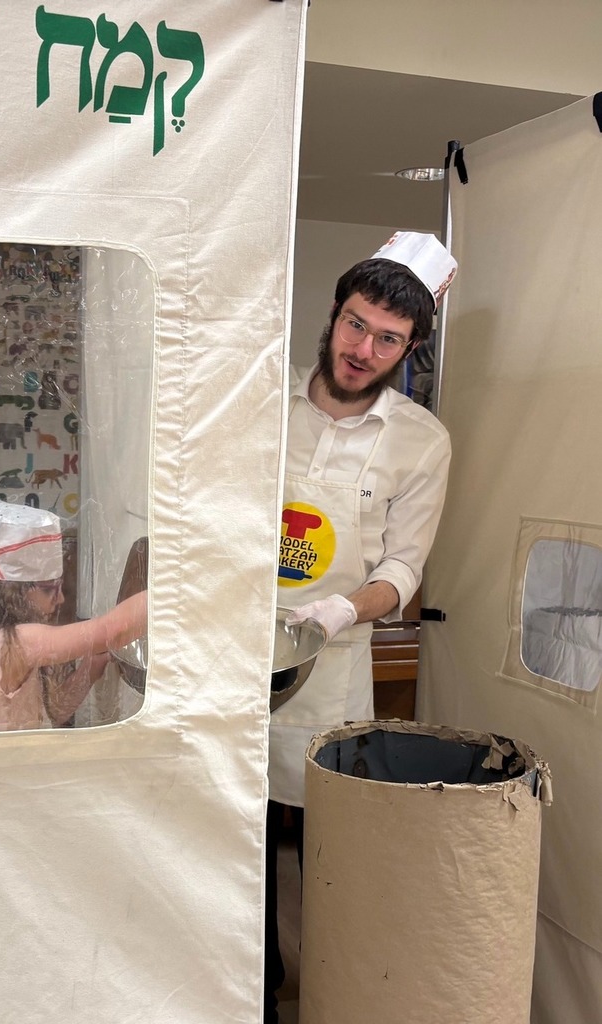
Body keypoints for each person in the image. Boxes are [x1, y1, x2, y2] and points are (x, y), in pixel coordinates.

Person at [265, 231, 458, 1022]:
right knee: (238, 843)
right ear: (334, 311)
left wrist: (346, 607)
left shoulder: (420, 441)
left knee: (327, 852)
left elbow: (403, 566)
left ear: (409, 348)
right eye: (355, 324)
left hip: (330, 672)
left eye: (387, 339)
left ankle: (331, 996)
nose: (362, 349)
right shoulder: (261, 402)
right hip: (237, 657)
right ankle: (254, 992)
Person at [0, 496, 147, 733]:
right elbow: (114, 630)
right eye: (50, 589)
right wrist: (168, 581)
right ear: (13, 593)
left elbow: (54, 714)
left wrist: (91, 668)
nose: (60, 599)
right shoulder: (15, 643)